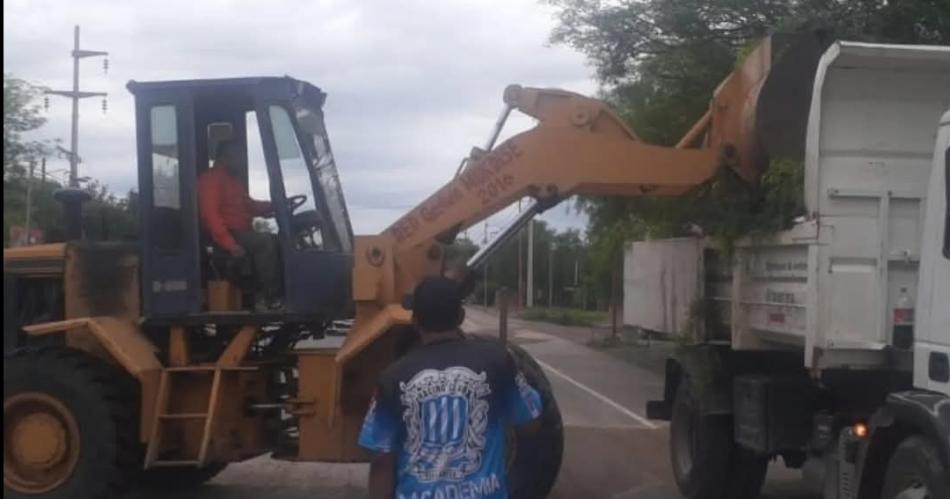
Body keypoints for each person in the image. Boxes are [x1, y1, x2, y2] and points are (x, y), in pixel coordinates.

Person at [358, 275, 542, 499]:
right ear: (461, 316)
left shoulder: (392, 377)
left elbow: (380, 459)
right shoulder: (498, 361)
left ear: (415, 320)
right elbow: (530, 423)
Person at [198, 140, 282, 309]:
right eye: (239, 157)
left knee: (280, 241)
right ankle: (269, 298)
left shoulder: (232, 182)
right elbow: (210, 215)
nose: (242, 161)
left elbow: (248, 205)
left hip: (241, 231)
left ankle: (275, 292)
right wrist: (230, 244)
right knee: (265, 243)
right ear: (226, 157)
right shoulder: (211, 180)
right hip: (229, 234)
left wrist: (275, 205)